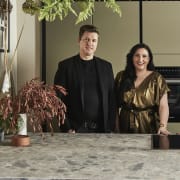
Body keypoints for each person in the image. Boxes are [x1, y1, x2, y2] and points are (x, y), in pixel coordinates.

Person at [54, 24, 116, 133]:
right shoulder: (66, 66)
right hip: (75, 131)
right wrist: (67, 127)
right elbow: (58, 101)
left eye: (94, 40)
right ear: (79, 40)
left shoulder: (106, 67)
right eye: (87, 39)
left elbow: (112, 100)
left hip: (102, 130)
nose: (90, 43)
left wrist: (110, 127)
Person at [114, 43, 170, 134]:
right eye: (137, 56)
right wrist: (116, 126)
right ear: (131, 58)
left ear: (149, 59)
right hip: (124, 124)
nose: (140, 59)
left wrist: (163, 126)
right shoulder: (121, 76)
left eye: (144, 56)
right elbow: (114, 105)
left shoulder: (157, 78)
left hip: (148, 124)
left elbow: (163, 105)